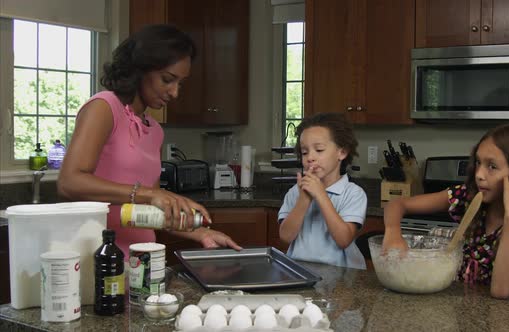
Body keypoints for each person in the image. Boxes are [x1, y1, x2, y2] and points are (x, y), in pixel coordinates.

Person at [57, 24, 241, 259]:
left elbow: (149, 212)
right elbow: (69, 183)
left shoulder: (154, 131)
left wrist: (201, 233)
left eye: (180, 83)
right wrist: (149, 194)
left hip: (140, 263)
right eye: (167, 79)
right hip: (95, 261)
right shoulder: (104, 108)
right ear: (140, 69)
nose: (174, 92)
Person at [381, 123, 509, 298]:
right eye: (478, 162)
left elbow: (501, 290)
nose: (479, 174)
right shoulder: (468, 196)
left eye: (492, 166)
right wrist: (392, 232)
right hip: (457, 306)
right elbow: (397, 204)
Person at [278, 113, 367, 269]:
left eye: (319, 150)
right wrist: (304, 200)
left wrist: (320, 194)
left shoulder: (354, 193)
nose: (310, 157)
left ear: (342, 152)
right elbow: (285, 237)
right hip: (300, 270)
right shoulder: (295, 192)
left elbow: (344, 239)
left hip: (342, 279)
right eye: (304, 152)